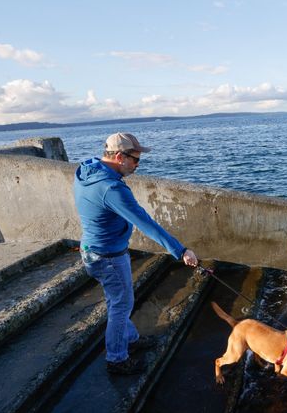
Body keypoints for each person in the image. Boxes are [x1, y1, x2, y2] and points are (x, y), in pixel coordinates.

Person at [74, 132, 198, 375]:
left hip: (91, 250)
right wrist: (180, 250)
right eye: (135, 160)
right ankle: (117, 360)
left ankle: (129, 338)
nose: (138, 165)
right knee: (121, 306)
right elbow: (145, 222)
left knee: (116, 301)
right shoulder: (111, 189)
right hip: (108, 257)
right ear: (119, 157)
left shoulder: (87, 171)